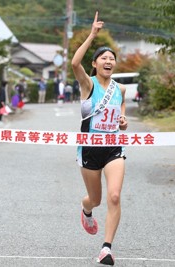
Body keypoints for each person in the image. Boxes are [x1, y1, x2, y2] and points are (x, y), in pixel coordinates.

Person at [71, 11, 128, 266]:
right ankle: (87, 210)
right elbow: (74, 64)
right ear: (95, 64)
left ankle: (106, 248)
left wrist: (124, 122)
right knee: (95, 198)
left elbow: (122, 119)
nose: (109, 61)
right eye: (104, 58)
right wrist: (92, 35)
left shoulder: (121, 89)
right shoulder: (88, 84)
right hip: (89, 149)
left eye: (112, 58)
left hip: (113, 147)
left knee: (114, 196)